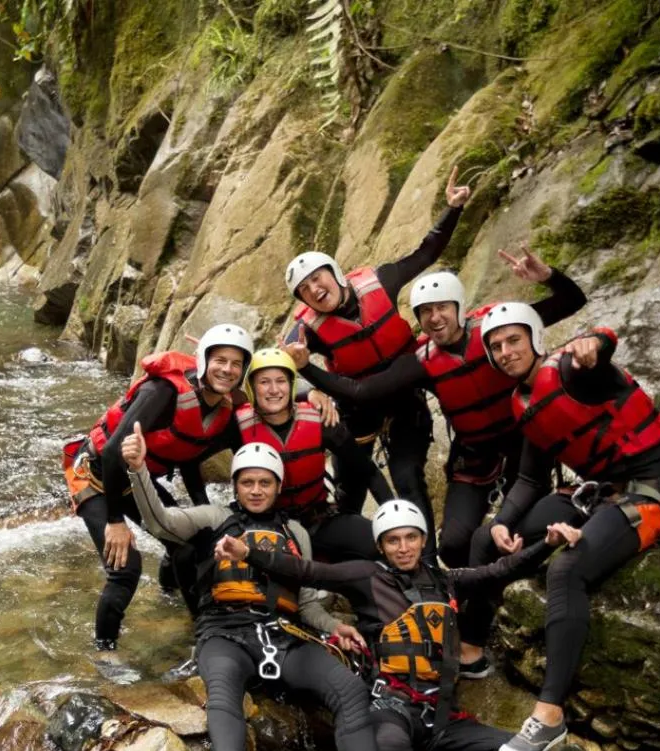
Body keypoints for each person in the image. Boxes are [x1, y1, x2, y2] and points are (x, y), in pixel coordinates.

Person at [121, 430, 446, 751]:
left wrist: (334, 628)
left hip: (284, 636)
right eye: (248, 482)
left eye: (265, 482)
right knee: (222, 683)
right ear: (236, 485)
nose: (256, 490)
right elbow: (162, 521)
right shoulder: (213, 517)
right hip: (225, 632)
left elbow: (307, 601)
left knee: (348, 690)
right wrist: (139, 469)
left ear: (278, 486)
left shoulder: (295, 531)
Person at [224, 498, 582, 751]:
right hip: (392, 706)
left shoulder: (446, 581)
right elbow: (305, 570)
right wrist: (248, 553)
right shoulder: (365, 575)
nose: (404, 547)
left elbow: (501, 570)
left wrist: (546, 545)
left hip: (442, 714)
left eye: (411, 538)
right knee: (389, 749)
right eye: (393, 540)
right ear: (380, 546)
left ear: (423, 540)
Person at [286, 245, 587, 584]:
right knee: (453, 549)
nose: (435, 318)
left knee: (511, 529)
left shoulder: (497, 332)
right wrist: (309, 379)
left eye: (442, 308)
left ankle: (517, 558)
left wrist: (547, 276)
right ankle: (431, 571)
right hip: (474, 457)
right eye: (425, 312)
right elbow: (361, 391)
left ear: (459, 307)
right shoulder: (422, 362)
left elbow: (571, 301)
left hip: (525, 449)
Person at [471, 307, 660, 751]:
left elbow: (601, 347)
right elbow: (530, 480)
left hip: (645, 492)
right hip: (593, 491)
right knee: (485, 539)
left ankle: (549, 716)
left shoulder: (574, 370)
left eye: (514, 341)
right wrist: (505, 521)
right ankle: (468, 650)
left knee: (567, 570)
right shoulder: (524, 401)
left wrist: (593, 341)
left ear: (534, 340)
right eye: (496, 346)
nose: (506, 352)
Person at [280, 167, 471, 533]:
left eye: (317, 278)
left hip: (404, 395)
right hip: (356, 408)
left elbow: (425, 253)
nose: (315, 289)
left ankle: (425, 561)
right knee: (349, 497)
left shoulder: (380, 282)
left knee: (407, 477)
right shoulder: (306, 331)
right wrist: (313, 388)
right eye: (304, 289)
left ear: (334, 273)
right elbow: (277, 372)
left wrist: (453, 209)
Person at [63, 324, 253, 651]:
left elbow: (188, 452)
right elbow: (111, 453)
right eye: (220, 360)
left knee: (189, 545)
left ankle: (179, 606)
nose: (228, 369)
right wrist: (115, 523)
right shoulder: (163, 393)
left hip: (138, 477)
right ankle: (105, 654)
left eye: (236, 364)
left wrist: (201, 509)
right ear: (204, 361)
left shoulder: (224, 408)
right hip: (96, 474)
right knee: (125, 569)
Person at [235, 348, 378, 562]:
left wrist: (395, 519)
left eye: (281, 381)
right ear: (251, 388)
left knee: (378, 543)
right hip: (265, 523)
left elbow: (367, 471)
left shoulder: (321, 420)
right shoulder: (235, 426)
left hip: (318, 519)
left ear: (291, 385)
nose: (274, 389)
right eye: (264, 382)